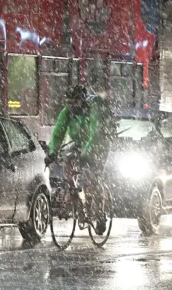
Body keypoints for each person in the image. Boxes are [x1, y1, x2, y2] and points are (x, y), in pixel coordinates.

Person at [45, 84, 113, 233]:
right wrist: (52, 152)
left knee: (93, 179)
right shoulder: (67, 112)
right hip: (80, 142)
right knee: (68, 165)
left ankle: (100, 214)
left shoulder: (93, 108)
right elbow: (58, 133)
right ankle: (74, 194)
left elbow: (95, 134)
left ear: (82, 100)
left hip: (99, 144)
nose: (71, 105)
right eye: (68, 102)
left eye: (74, 102)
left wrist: (86, 155)